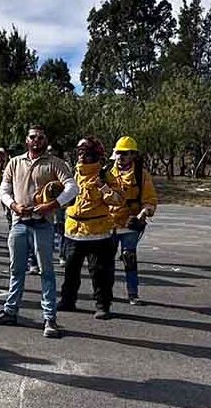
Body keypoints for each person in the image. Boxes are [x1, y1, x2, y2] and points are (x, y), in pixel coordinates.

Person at [0, 125, 78, 338]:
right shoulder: (14, 162)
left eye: (41, 137)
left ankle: (49, 318)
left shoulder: (55, 163)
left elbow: (72, 187)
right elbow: (3, 189)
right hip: (19, 222)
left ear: (46, 140)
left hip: (42, 224)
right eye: (33, 137)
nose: (36, 140)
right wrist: (13, 205)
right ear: (26, 140)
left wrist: (53, 204)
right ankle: (10, 311)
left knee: (46, 271)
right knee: (16, 270)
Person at [59, 137, 123, 319]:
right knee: (70, 271)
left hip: (98, 233)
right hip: (73, 231)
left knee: (101, 273)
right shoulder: (71, 174)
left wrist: (103, 188)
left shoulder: (105, 176)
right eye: (79, 153)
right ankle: (67, 301)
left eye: (85, 154)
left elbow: (118, 200)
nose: (81, 158)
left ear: (95, 156)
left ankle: (103, 305)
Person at [108, 136, 158, 305]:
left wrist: (143, 214)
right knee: (106, 262)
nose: (120, 157)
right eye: (118, 153)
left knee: (129, 258)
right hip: (109, 224)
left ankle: (132, 293)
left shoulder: (141, 175)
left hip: (130, 224)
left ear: (133, 155)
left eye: (125, 153)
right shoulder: (107, 173)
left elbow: (149, 200)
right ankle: (105, 293)